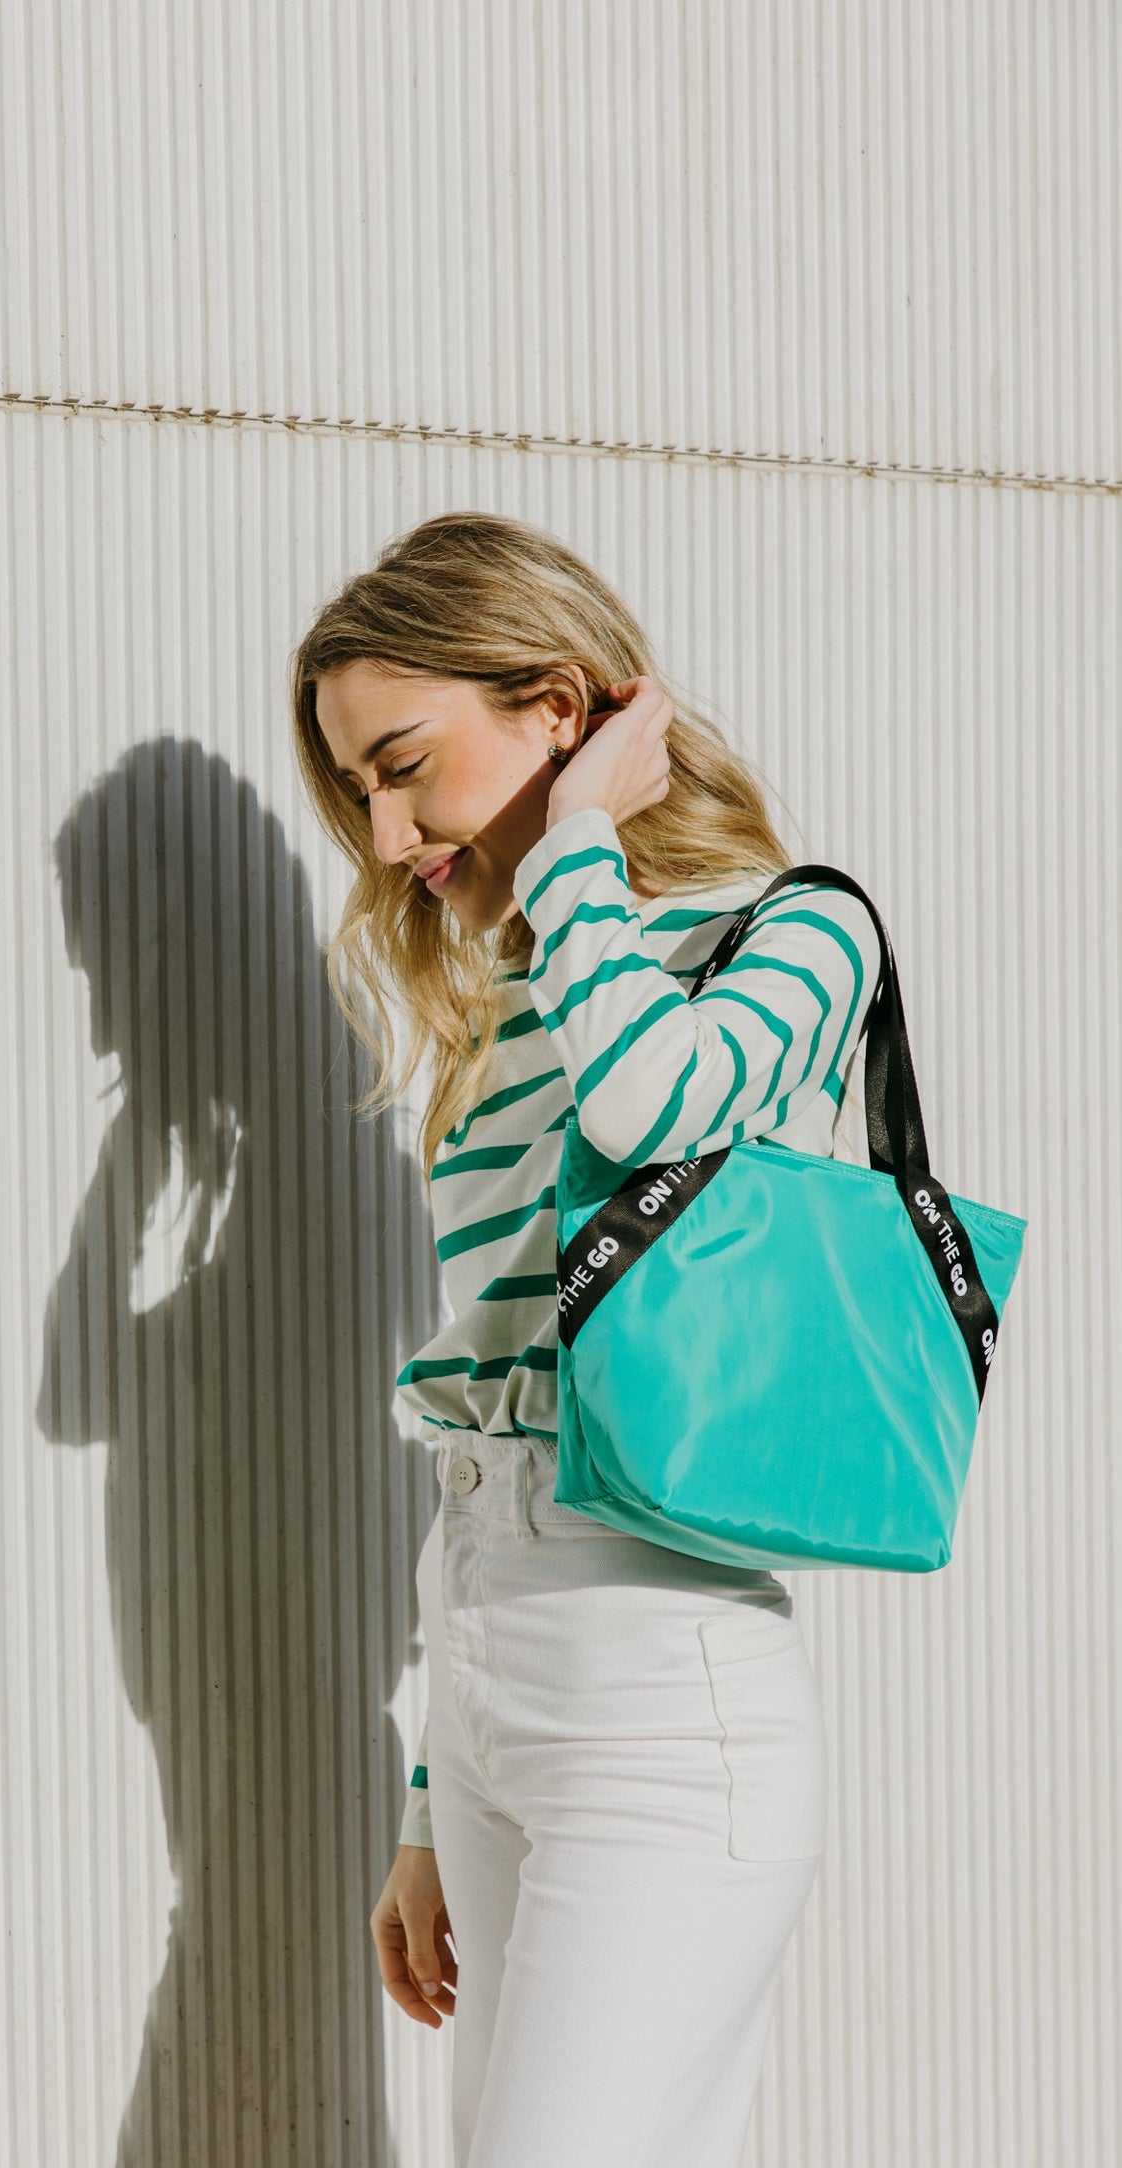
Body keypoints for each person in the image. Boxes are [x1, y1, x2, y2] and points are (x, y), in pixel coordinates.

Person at [289, 510, 882, 2167]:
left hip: (655, 1680)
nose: (389, 827)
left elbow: (652, 1102)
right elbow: (487, 1388)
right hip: (487, 1670)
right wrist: (429, 1790)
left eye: (404, 762)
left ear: (563, 707)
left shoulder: (788, 928)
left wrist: (579, 858)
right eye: (354, 791)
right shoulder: (500, 1009)